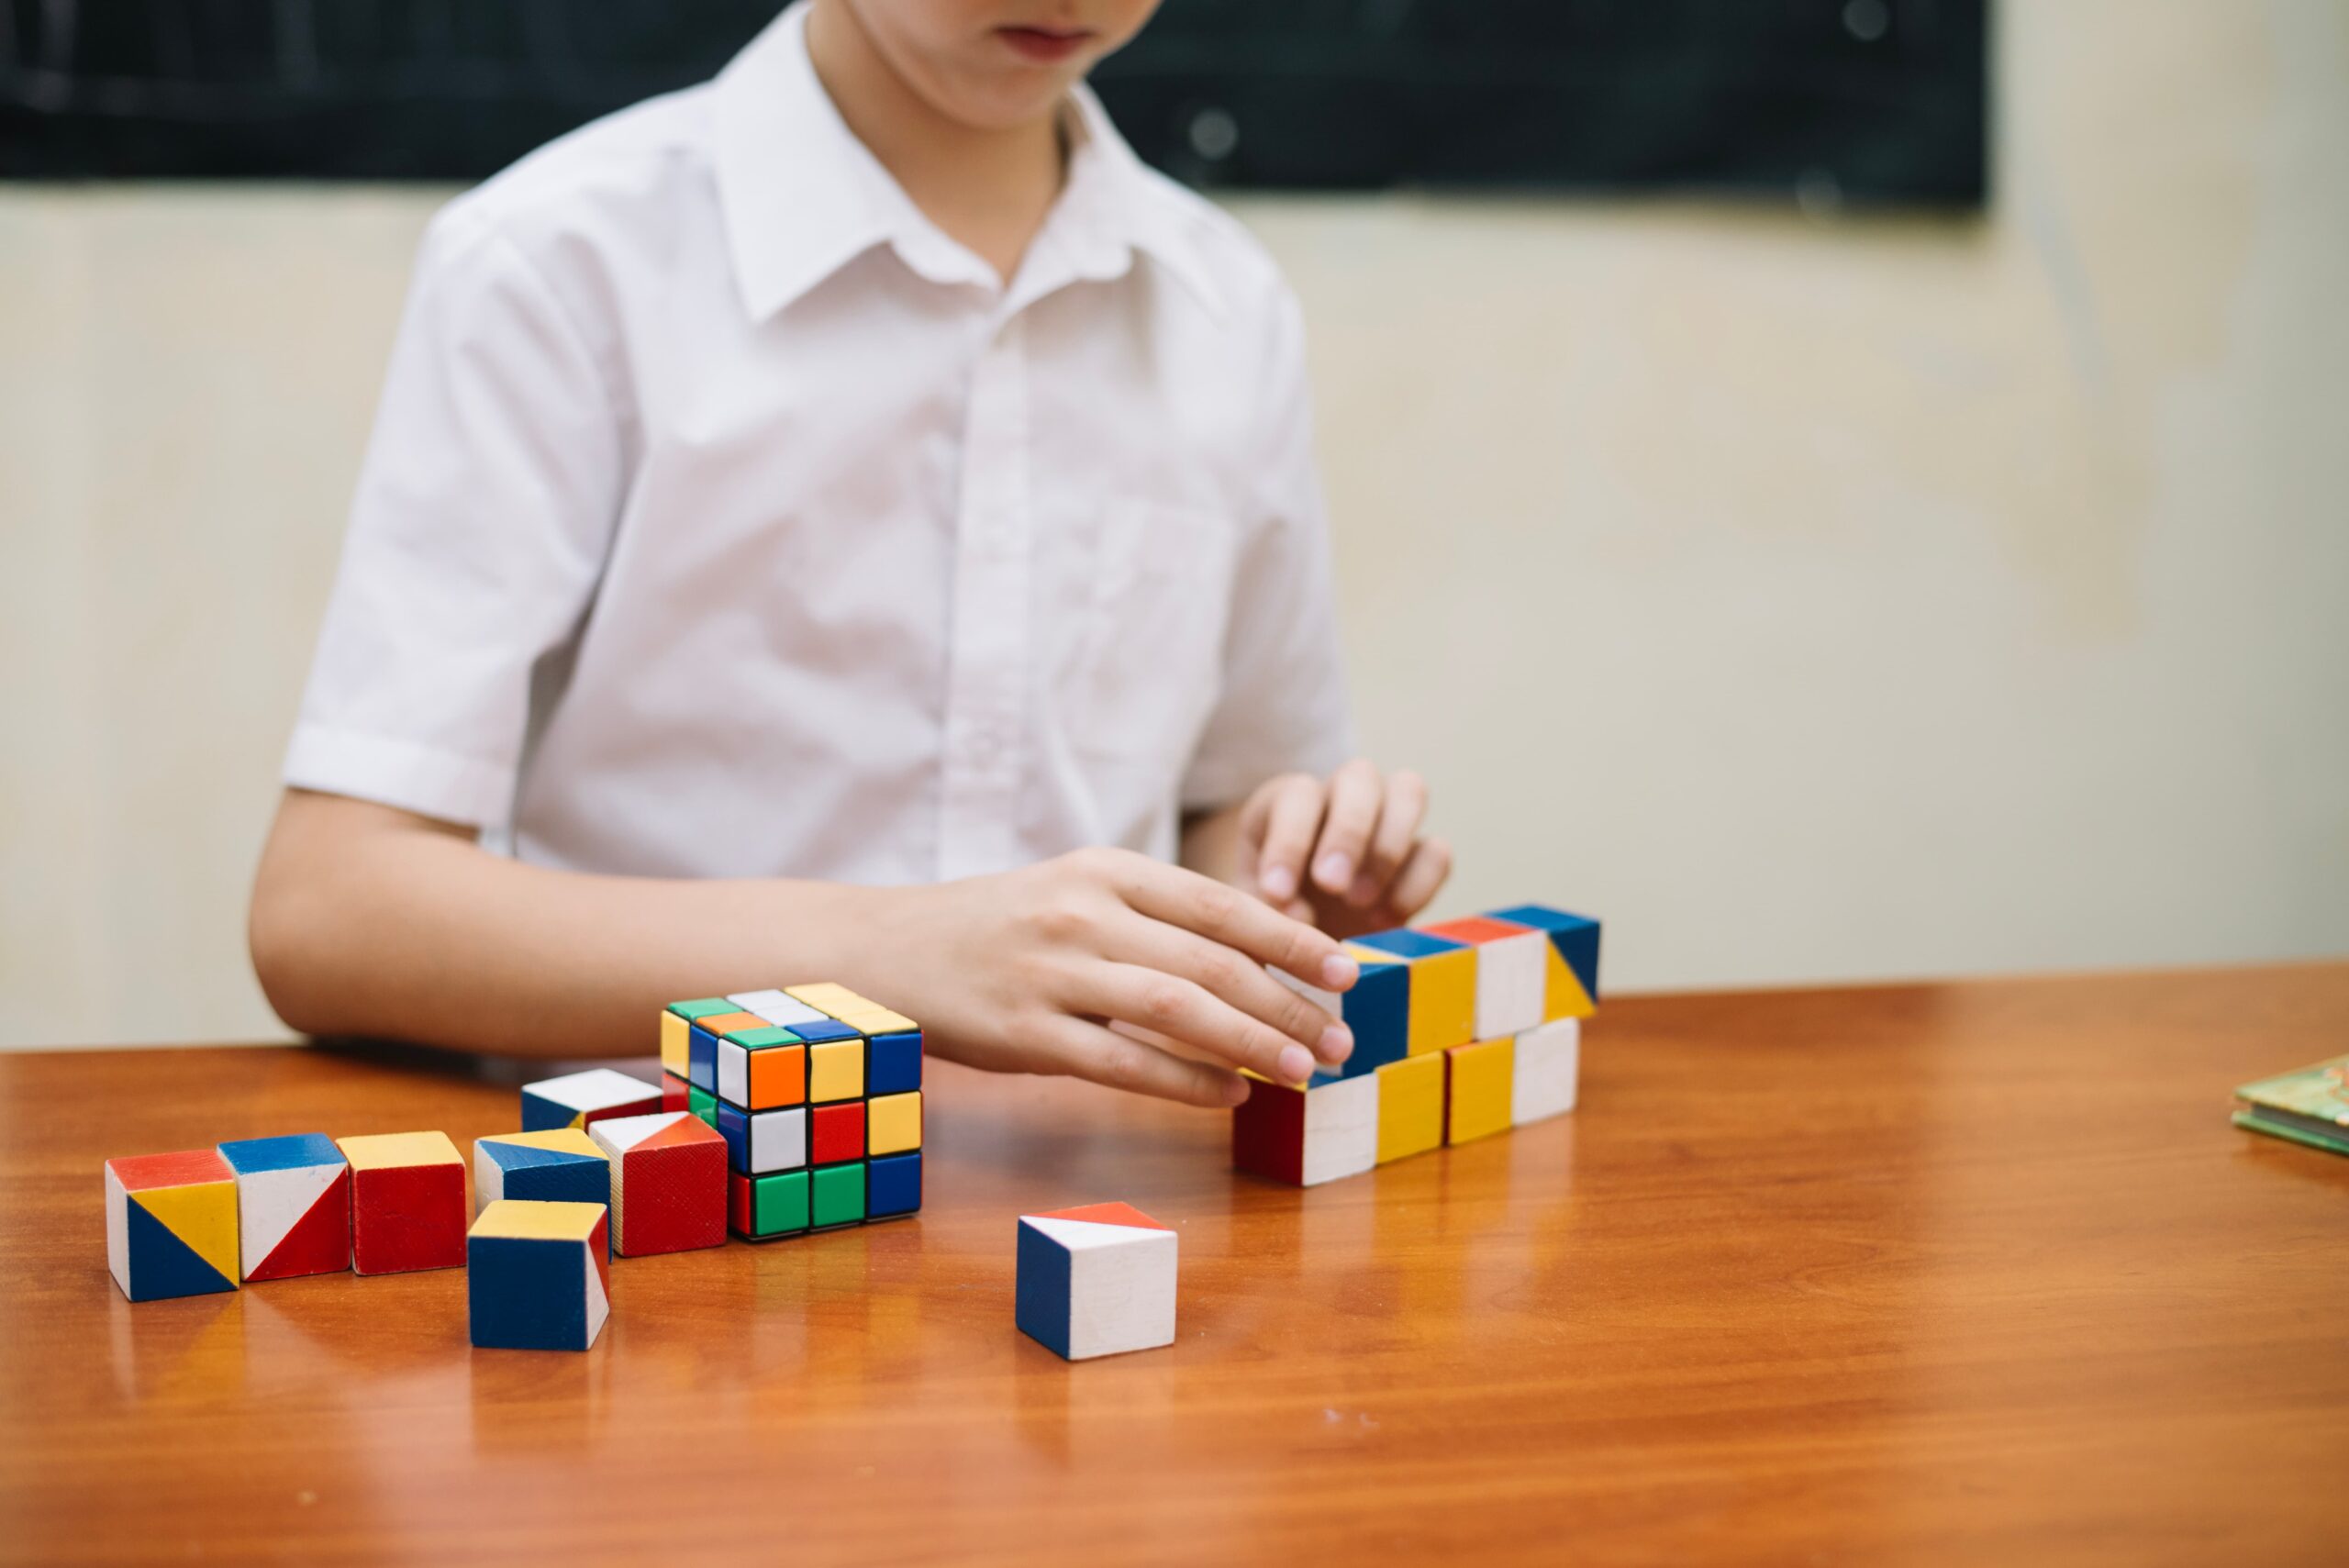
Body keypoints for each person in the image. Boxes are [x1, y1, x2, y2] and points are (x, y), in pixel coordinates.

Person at [247, 0, 1451, 1107]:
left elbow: (1230, 798)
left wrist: (1277, 895)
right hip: (662, 1203)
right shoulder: (559, 260)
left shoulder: (1225, 307)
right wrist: (890, 955)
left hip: (1079, 1204)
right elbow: (330, 911)